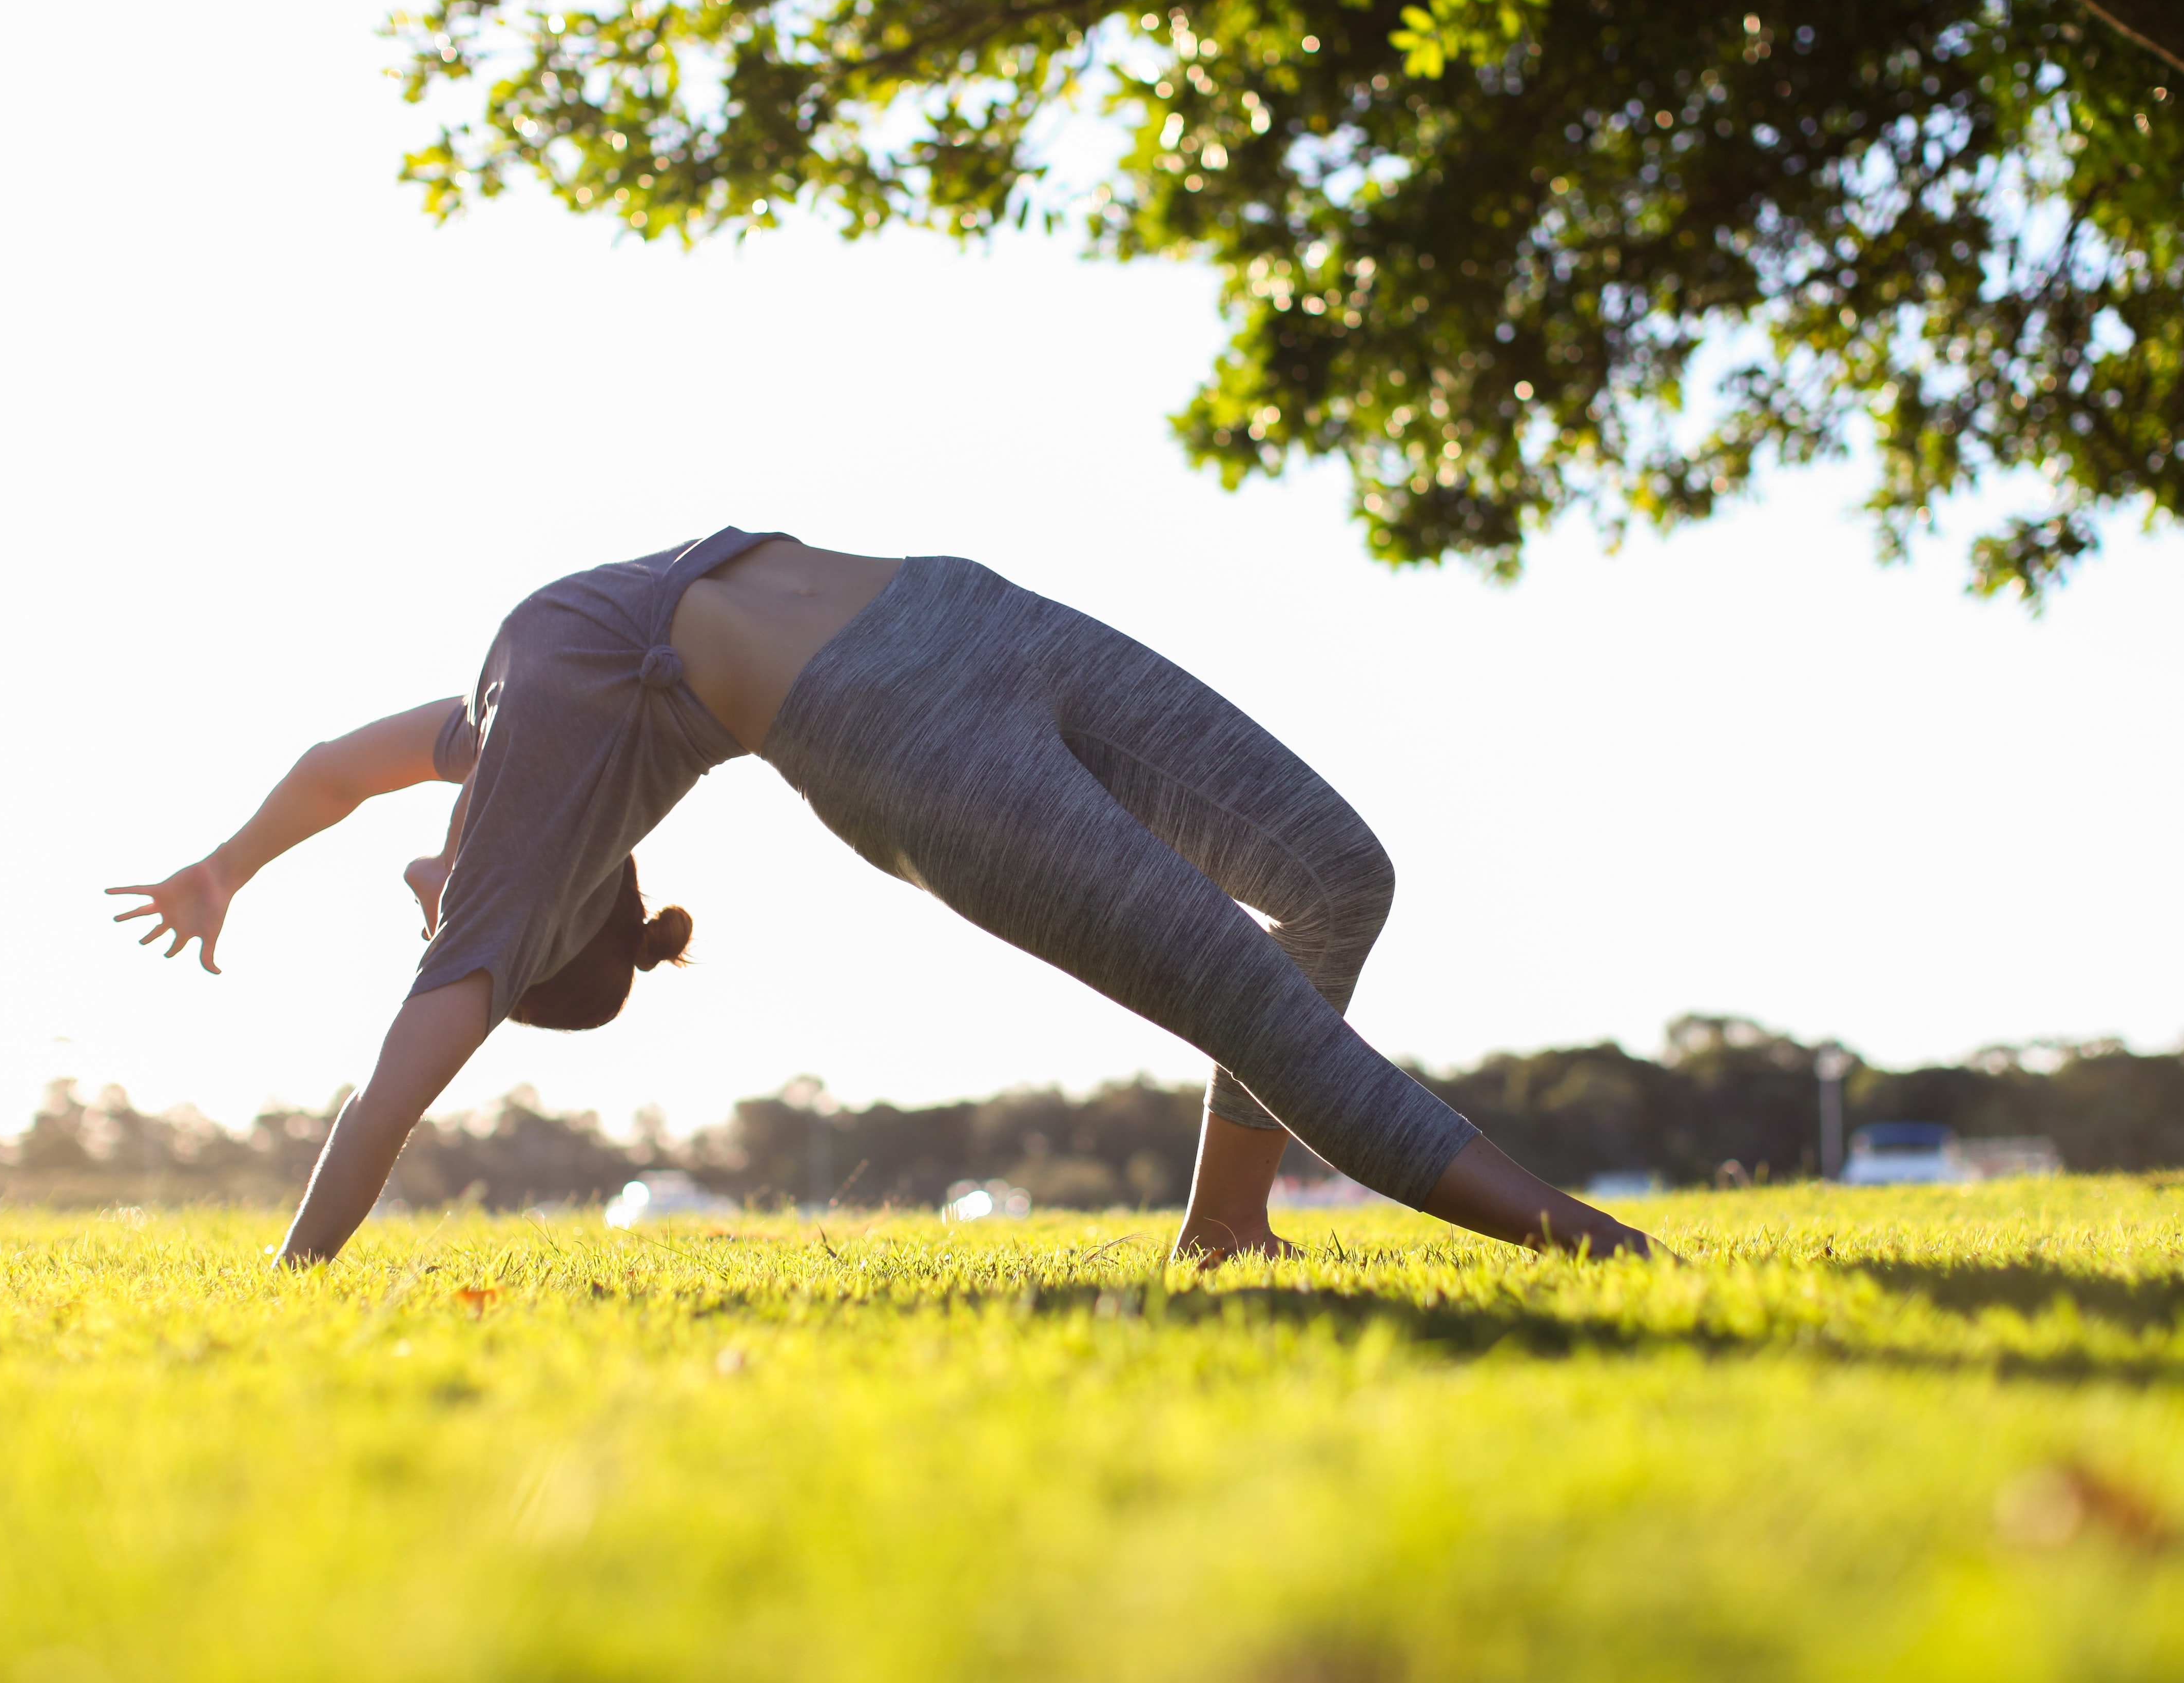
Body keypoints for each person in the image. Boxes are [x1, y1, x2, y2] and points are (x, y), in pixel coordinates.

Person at [109, 531, 1654, 1267]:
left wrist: (226, 866)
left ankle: (1227, 1226)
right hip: (918, 751)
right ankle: (1579, 1241)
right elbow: (385, 1103)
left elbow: (332, 767)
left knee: (1335, 878)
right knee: (1240, 991)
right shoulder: (525, 852)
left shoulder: (506, 733)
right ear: (555, 920)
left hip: (964, 608)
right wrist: (298, 1273)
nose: (444, 907)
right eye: (469, 928)